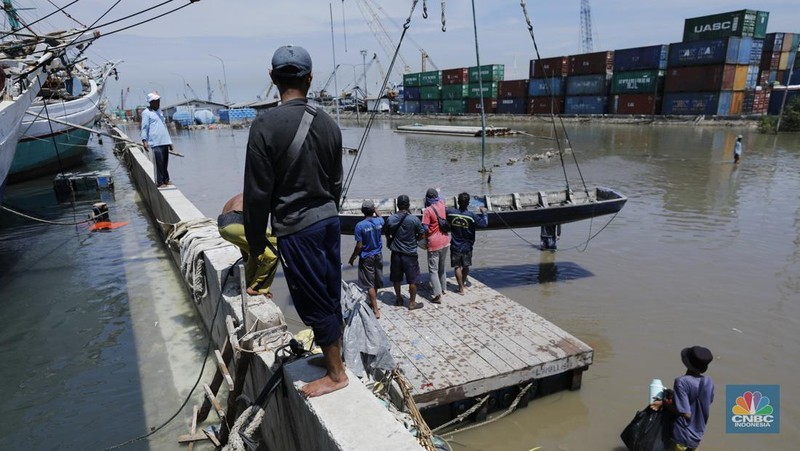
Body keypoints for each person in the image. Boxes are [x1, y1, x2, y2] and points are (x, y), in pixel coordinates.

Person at [243, 45, 346, 398]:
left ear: (272, 78)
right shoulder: (330, 123)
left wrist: (256, 245)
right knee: (331, 292)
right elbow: (336, 183)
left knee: (312, 300)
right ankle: (336, 358)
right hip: (329, 221)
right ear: (310, 79)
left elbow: (257, 194)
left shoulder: (264, 125)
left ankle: (336, 374)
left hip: (297, 228)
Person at [217, 193, 278, 297]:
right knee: (274, 254)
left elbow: (245, 238)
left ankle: (247, 281)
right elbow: (259, 223)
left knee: (255, 252)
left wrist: (247, 254)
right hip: (238, 223)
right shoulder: (264, 194)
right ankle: (257, 288)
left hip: (223, 227)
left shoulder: (241, 195)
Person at [664, 346, 715, 451]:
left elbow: (686, 414)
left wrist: (665, 404)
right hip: (696, 436)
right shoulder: (709, 381)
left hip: (681, 435)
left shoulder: (681, 381)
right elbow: (702, 402)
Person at [384, 194, 425, 310]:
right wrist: (414, 240)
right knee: (413, 279)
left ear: (397, 205)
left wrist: (389, 241)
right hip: (410, 254)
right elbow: (422, 234)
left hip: (396, 254)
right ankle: (412, 303)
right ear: (408, 205)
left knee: (396, 278)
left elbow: (386, 231)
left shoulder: (391, 219)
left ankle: (399, 299)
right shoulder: (414, 219)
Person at [348, 199, 385, 319]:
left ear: (362, 211)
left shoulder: (360, 226)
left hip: (367, 257)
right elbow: (382, 217)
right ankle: (372, 302)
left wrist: (353, 257)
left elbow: (359, 245)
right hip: (378, 255)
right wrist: (376, 210)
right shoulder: (379, 221)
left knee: (369, 283)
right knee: (376, 280)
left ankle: (375, 310)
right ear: (373, 210)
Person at [446, 192, 488, 294]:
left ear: (458, 202)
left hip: (455, 245)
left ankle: (460, 288)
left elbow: (442, 213)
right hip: (467, 245)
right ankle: (463, 284)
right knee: (466, 266)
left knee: (457, 267)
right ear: (468, 203)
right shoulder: (472, 216)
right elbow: (484, 224)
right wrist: (484, 213)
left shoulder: (450, 213)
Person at [421, 188, 451, 303]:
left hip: (434, 243)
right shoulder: (442, 204)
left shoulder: (427, 211)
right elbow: (442, 197)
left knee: (433, 269)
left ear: (428, 199)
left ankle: (437, 295)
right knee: (442, 266)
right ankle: (443, 289)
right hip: (445, 240)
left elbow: (425, 228)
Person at [140, 92, 174, 188]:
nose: (158, 103)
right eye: (156, 101)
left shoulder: (159, 111)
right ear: (151, 102)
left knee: (165, 162)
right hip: (155, 141)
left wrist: (170, 142)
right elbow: (144, 127)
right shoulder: (146, 113)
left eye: (158, 101)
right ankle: (160, 182)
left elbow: (164, 126)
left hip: (164, 140)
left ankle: (166, 180)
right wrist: (144, 140)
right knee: (159, 162)